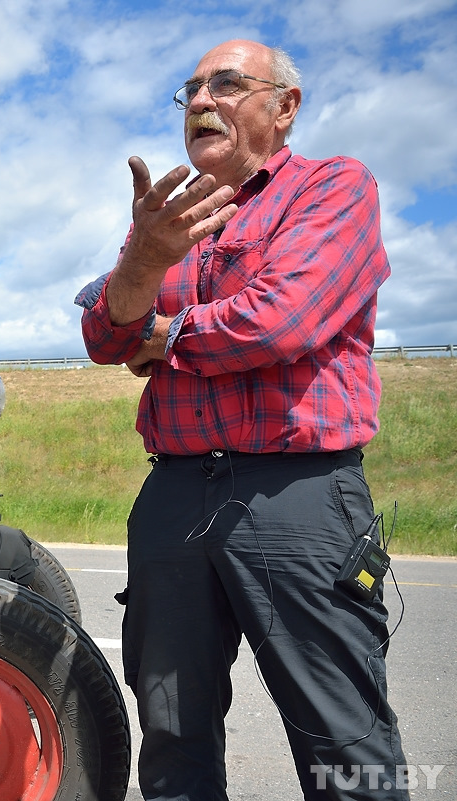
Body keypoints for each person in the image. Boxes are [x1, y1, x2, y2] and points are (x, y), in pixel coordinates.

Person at [75, 40, 407, 800]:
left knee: (341, 734)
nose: (200, 101)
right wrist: (143, 261)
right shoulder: (166, 220)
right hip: (174, 494)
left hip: (295, 493)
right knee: (171, 728)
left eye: (226, 83)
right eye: (190, 89)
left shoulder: (335, 188)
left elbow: (280, 322)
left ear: (284, 107)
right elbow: (102, 335)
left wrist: (159, 335)